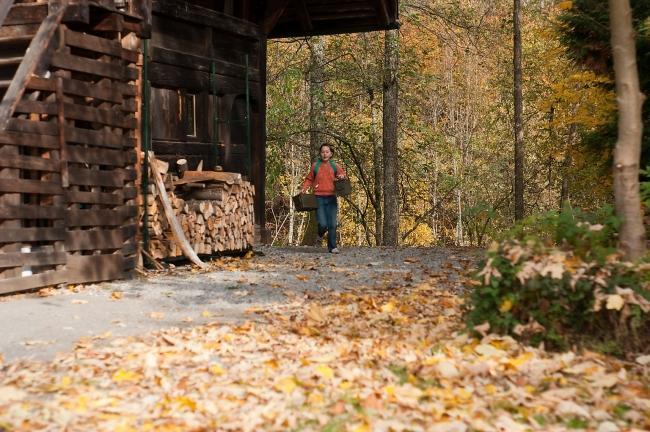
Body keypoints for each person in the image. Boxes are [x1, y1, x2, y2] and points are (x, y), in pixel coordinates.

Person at [301, 144, 347, 253]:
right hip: (319, 197)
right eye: (322, 152)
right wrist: (304, 188)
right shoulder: (315, 165)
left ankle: (332, 247)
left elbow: (343, 175)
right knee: (322, 224)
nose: (325, 154)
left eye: (327, 152)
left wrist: (342, 176)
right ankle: (320, 234)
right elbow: (309, 179)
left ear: (331, 154)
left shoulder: (335, 165)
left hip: (331, 197)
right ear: (320, 153)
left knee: (332, 223)